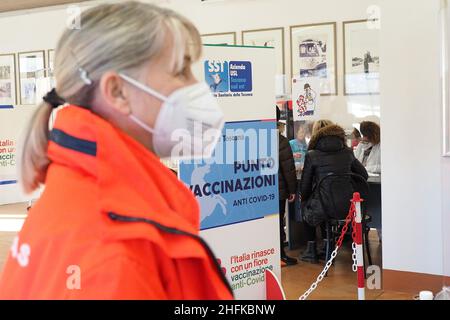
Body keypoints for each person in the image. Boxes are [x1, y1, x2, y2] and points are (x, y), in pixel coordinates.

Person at [0, 2, 232, 300]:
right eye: (181, 70)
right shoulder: (116, 250)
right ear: (118, 92)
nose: (196, 86)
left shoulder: (86, 194)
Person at [299, 121, 368, 263]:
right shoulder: (348, 152)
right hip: (349, 207)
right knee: (321, 204)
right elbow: (363, 175)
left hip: (325, 207)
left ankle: (311, 250)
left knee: (308, 206)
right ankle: (327, 246)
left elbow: (305, 186)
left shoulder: (312, 155)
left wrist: (304, 199)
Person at [276, 107, 298, 266]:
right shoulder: (281, 141)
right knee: (278, 222)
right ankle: (281, 255)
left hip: (260, 190)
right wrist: (292, 190)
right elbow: (288, 168)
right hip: (278, 190)